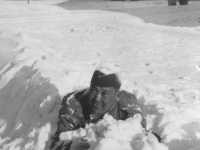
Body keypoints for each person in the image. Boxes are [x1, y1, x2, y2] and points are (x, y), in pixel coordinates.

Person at [50, 63, 146, 150]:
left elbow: (142, 136)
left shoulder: (127, 104)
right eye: (94, 90)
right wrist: (74, 146)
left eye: (104, 94)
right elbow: (56, 144)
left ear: (117, 96)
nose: (97, 98)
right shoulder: (74, 105)